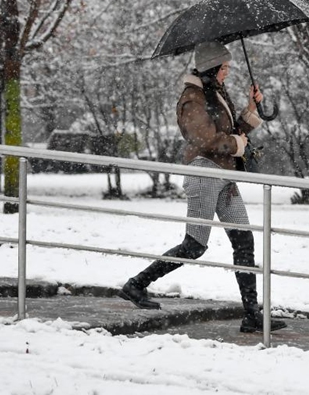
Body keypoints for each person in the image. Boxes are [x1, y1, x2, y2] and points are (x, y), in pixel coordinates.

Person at [119, 41, 286, 334]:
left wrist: (251, 108)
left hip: (224, 174)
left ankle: (252, 315)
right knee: (195, 245)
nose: (227, 74)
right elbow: (206, 140)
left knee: (244, 241)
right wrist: (237, 144)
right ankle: (136, 284)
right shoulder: (191, 99)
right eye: (223, 69)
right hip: (204, 173)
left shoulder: (214, 93)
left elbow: (232, 132)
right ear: (210, 68)